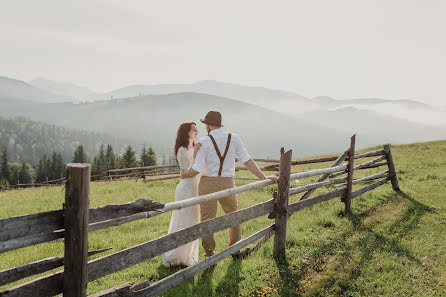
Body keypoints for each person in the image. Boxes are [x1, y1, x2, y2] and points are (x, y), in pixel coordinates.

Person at [181, 111, 278, 258]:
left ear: (207, 125)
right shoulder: (234, 138)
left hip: (207, 184)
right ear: (219, 124)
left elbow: (197, 169)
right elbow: (247, 160)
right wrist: (263, 177)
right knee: (233, 216)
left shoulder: (203, 142)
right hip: (228, 183)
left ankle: (209, 254)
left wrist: (184, 174)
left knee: (207, 220)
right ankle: (235, 250)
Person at [161, 122, 202, 267]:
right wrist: (197, 154)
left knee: (194, 221)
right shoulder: (182, 150)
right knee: (184, 221)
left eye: (197, 128)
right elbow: (187, 173)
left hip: (196, 188)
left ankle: (187, 256)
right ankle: (175, 255)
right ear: (186, 132)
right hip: (186, 189)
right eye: (193, 129)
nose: (197, 130)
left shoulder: (195, 147)